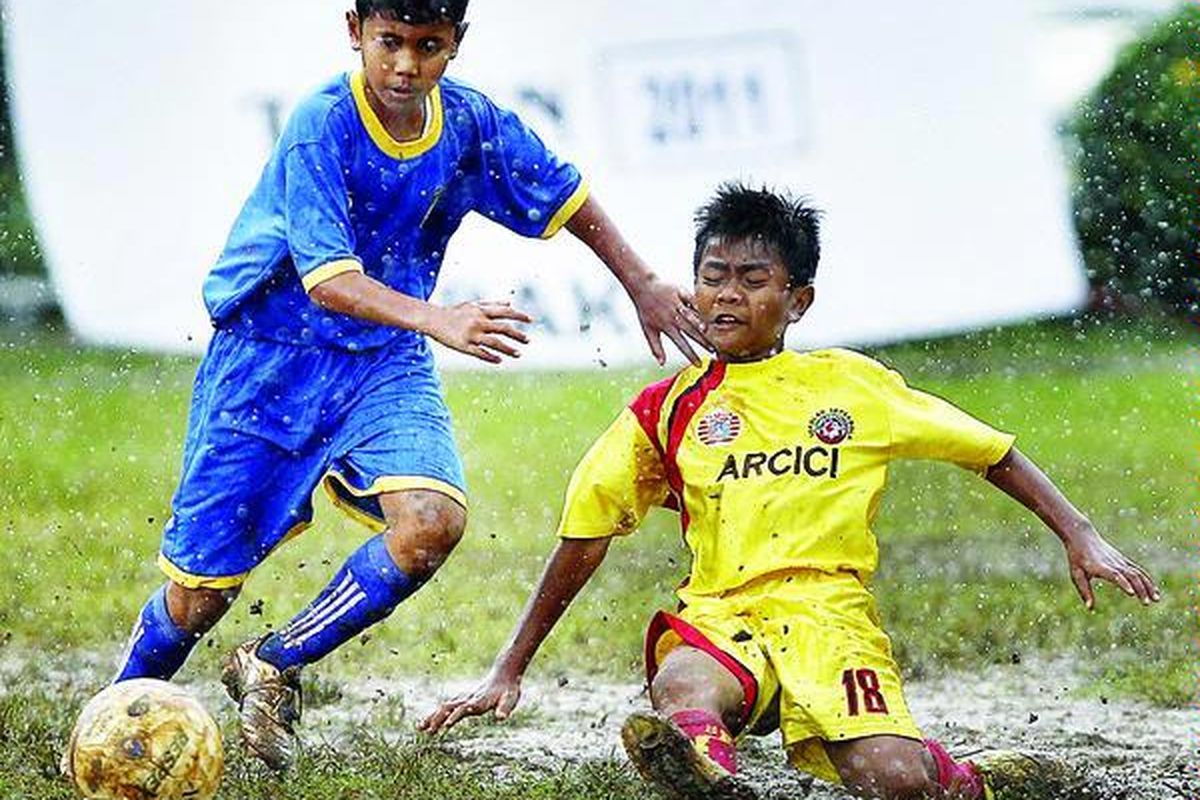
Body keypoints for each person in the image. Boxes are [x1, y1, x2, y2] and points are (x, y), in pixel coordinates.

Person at [110, 0, 707, 771]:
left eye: (428, 46)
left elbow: (564, 193)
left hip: (383, 359)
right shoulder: (322, 125)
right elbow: (328, 279)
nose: (405, 65)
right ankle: (113, 715)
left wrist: (642, 282)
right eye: (389, 42)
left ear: (457, 43)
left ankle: (272, 663)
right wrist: (440, 319)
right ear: (354, 31)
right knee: (201, 595)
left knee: (431, 522)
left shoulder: (468, 123)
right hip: (269, 361)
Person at [420, 183, 1161, 799]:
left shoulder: (852, 385)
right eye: (713, 276)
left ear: (797, 300)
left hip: (830, 618)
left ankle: (977, 779)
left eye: (752, 280)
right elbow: (585, 536)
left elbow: (991, 453)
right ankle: (709, 775)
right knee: (683, 684)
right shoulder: (664, 411)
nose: (727, 296)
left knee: (893, 781)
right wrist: (509, 666)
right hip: (725, 614)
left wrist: (1079, 533)